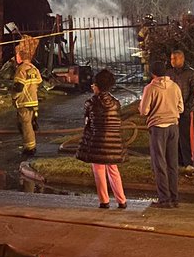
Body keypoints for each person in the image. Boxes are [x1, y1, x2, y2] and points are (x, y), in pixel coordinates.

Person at [75, 68, 127, 209]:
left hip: (96, 142)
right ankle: (121, 200)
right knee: (113, 169)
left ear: (97, 86)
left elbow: (88, 122)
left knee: (98, 170)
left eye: (93, 84)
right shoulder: (116, 103)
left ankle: (104, 201)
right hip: (114, 143)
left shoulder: (91, 103)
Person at [139, 60, 183, 208]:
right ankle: (174, 197)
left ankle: (164, 199)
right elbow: (181, 108)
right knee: (172, 163)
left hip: (158, 127)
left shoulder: (150, 88)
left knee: (160, 164)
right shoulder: (175, 86)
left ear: (152, 73)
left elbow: (144, 111)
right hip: (173, 126)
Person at [166, 49, 194, 172]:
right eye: (171, 59)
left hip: (184, 110)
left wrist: (187, 108)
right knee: (173, 137)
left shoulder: (191, 74)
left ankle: (187, 161)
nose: (172, 61)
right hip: (171, 111)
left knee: (184, 136)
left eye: (175, 58)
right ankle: (176, 160)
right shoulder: (168, 73)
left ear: (182, 59)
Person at [12, 38, 42, 157]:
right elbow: (39, 82)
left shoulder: (21, 69)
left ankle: (30, 148)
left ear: (20, 57)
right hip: (33, 102)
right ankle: (30, 145)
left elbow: (18, 87)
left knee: (26, 126)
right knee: (29, 124)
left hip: (24, 102)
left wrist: (14, 97)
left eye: (17, 55)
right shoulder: (34, 68)